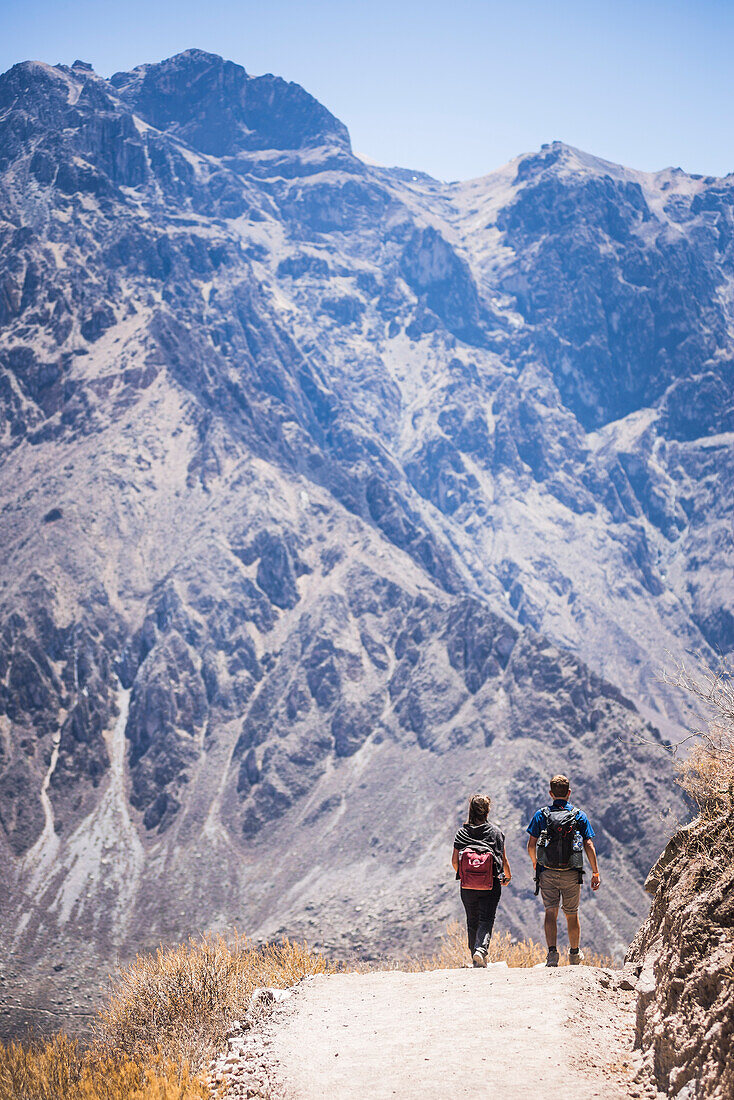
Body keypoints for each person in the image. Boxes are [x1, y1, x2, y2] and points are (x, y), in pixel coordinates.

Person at [526, 774, 601, 967]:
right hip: (571, 871)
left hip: (547, 872)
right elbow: (589, 844)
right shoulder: (579, 815)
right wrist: (595, 872)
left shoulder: (541, 815)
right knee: (572, 913)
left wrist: (536, 863)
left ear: (551, 794)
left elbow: (531, 844)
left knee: (550, 912)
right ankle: (574, 955)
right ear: (569, 793)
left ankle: (552, 955)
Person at [452, 794, 512, 968]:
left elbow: (454, 861)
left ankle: (475, 956)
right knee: (486, 918)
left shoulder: (462, 832)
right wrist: (507, 876)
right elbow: (504, 859)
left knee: (472, 920)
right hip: (490, 883)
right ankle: (481, 950)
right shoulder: (495, 832)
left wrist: (466, 875)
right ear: (488, 810)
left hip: (467, 885)